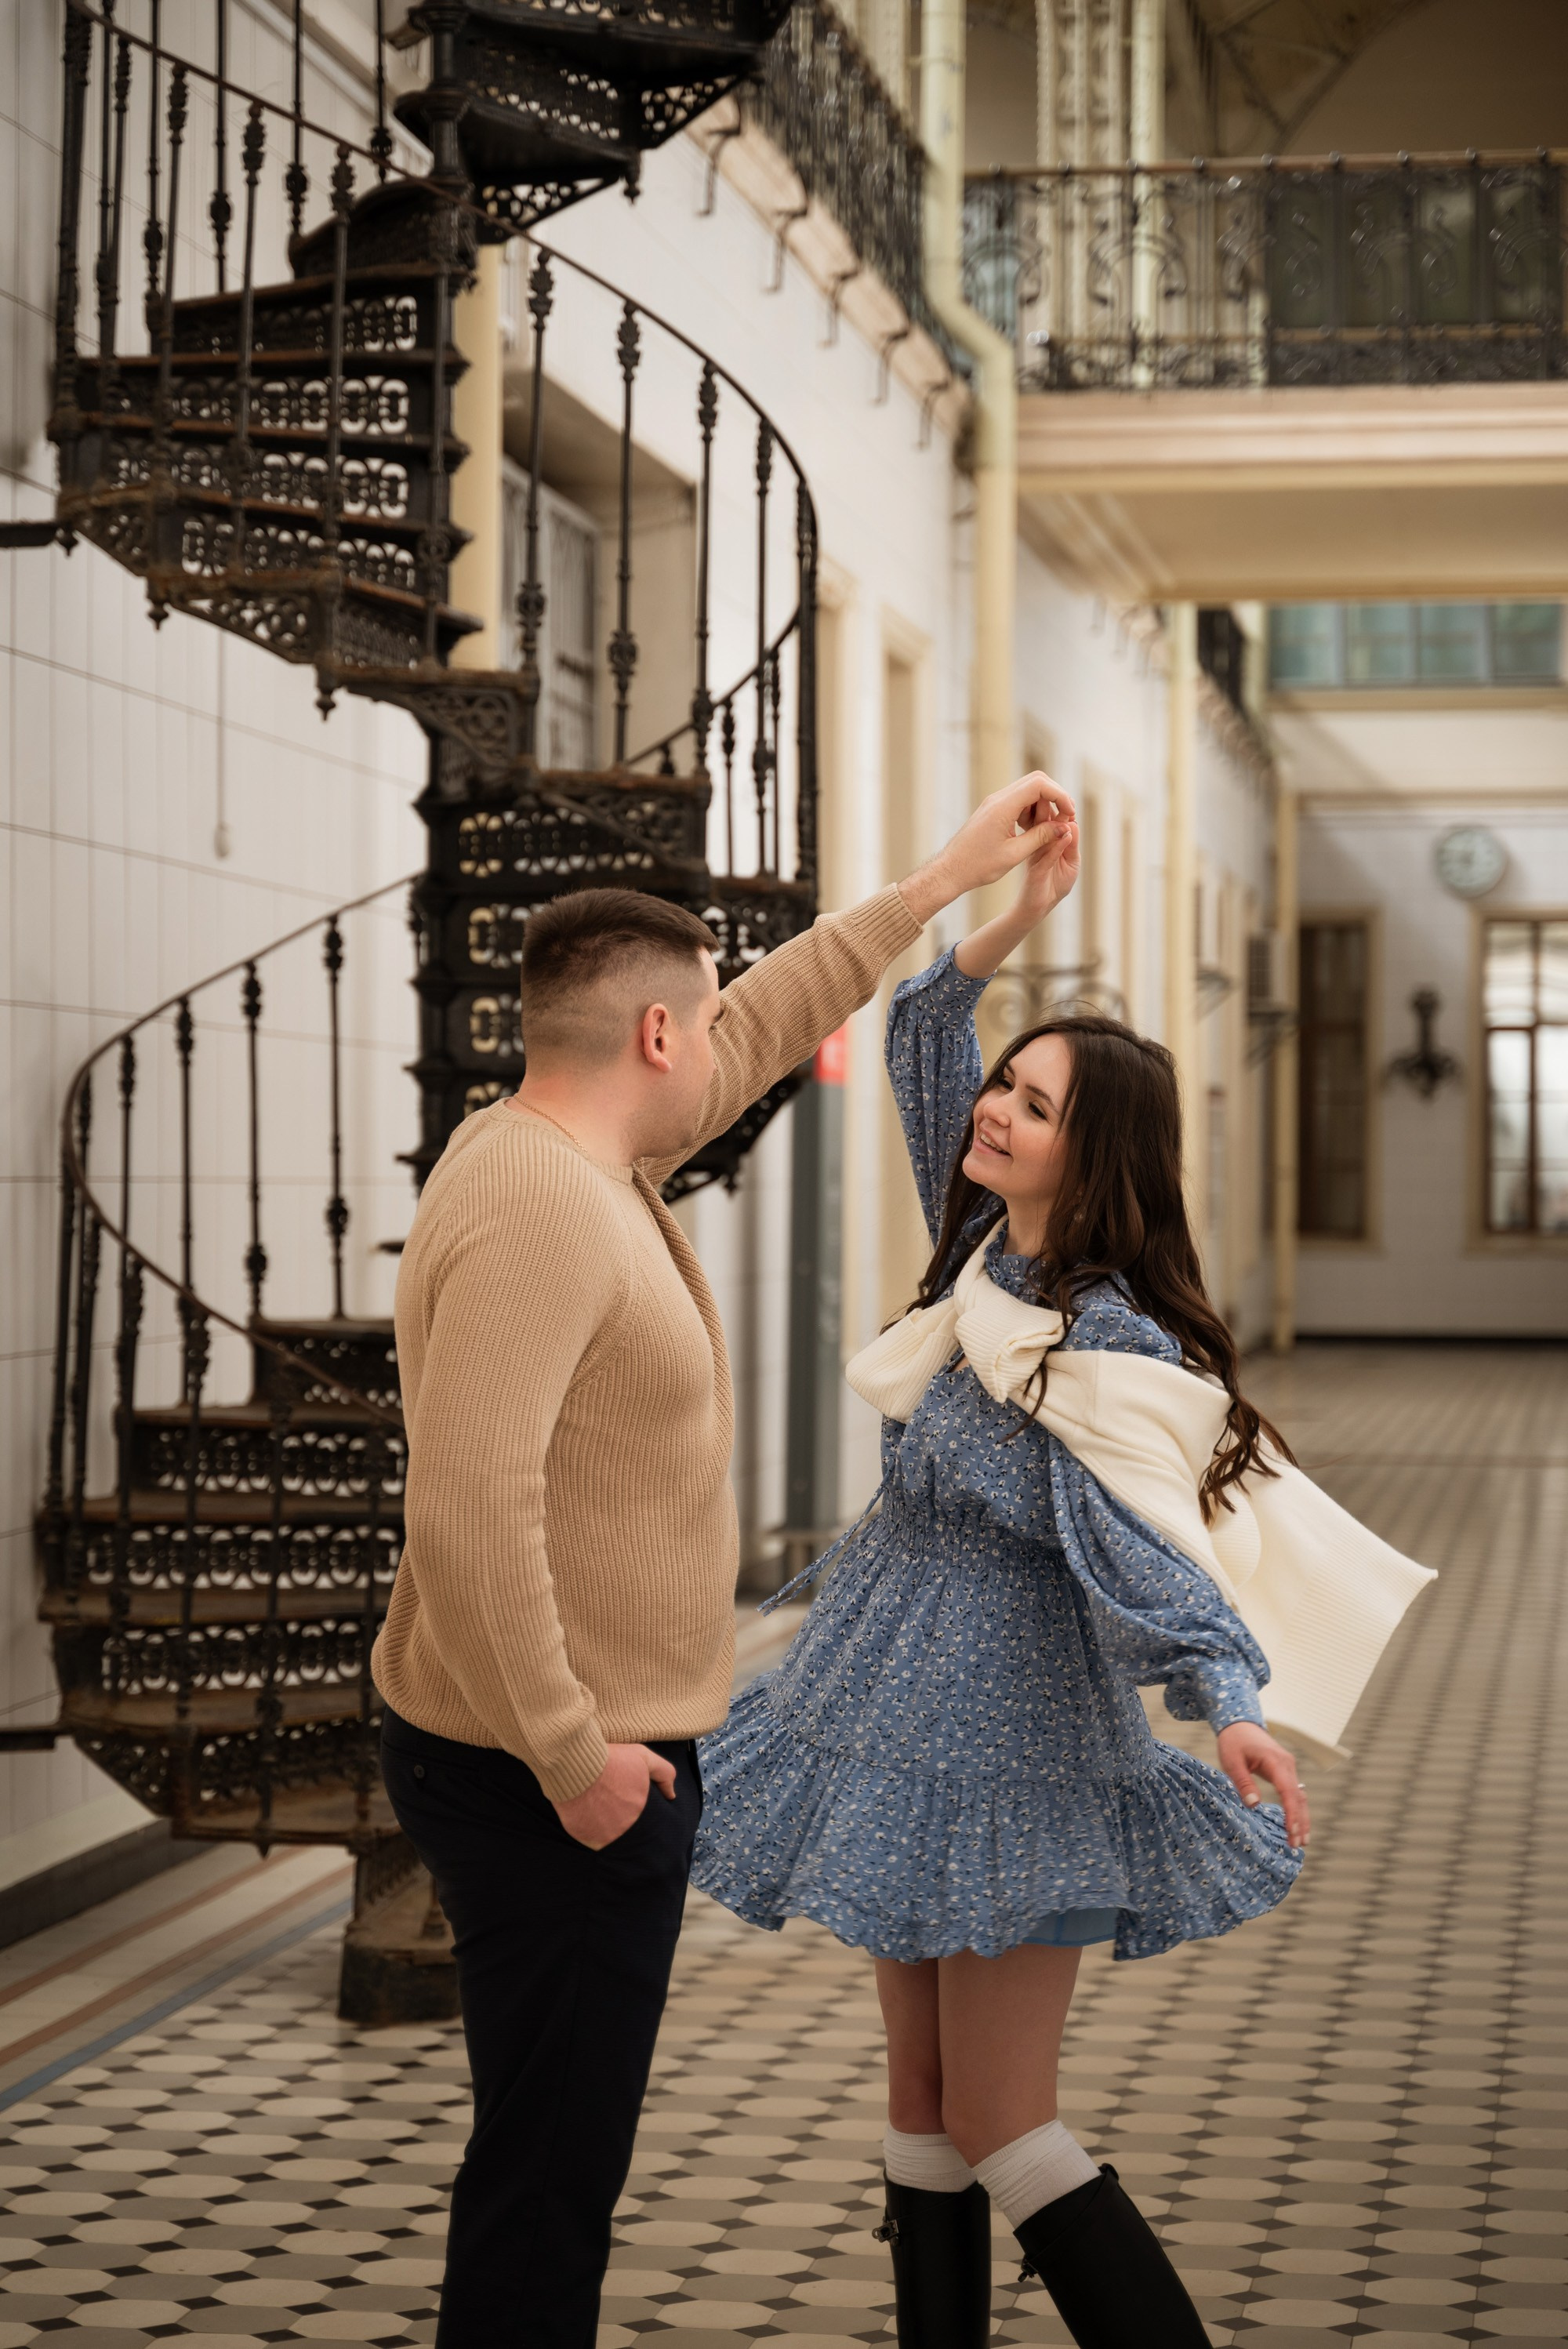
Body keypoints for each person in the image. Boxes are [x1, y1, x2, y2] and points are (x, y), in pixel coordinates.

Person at [370, 775, 1074, 2348]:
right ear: (651, 1041)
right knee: (548, 2178)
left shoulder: (584, 1153)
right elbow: (468, 1507)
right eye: (701, 1024)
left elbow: (762, 1018)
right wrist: (577, 1762)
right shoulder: (547, 1206)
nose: (729, 1042)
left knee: (556, 2161)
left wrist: (942, 884)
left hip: (560, 1753)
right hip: (551, 1771)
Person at [690, 810, 1316, 2348]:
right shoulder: (980, 1251)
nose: (995, 1111)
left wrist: (1226, 1699)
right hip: (885, 1709)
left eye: (1033, 1107)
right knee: (919, 2096)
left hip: (1012, 1736)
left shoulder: (1107, 1344)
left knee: (998, 2109)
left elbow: (1145, 1542)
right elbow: (917, 1025)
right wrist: (1014, 901)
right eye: (1008, 1086)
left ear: (1091, 1153)